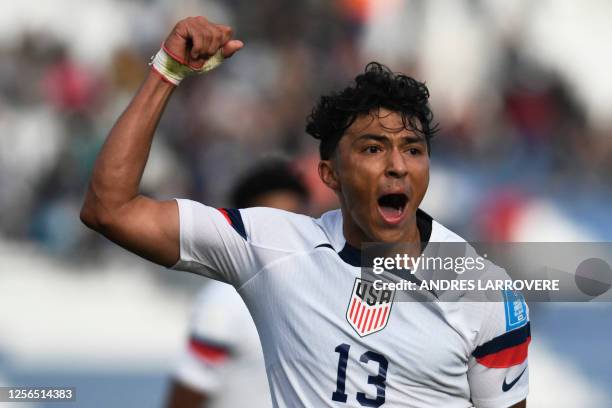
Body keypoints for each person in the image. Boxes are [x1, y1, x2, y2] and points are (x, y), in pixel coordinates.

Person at [81, 16, 530, 407]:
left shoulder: (484, 291)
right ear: (329, 174)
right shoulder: (271, 247)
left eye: (413, 149)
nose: (397, 165)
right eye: (373, 148)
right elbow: (110, 208)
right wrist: (167, 71)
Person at [166, 160, 309, 408]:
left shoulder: (324, 288)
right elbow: (188, 391)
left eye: (294, 220)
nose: (286, 234)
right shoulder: (224, 300)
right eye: (273, 223)